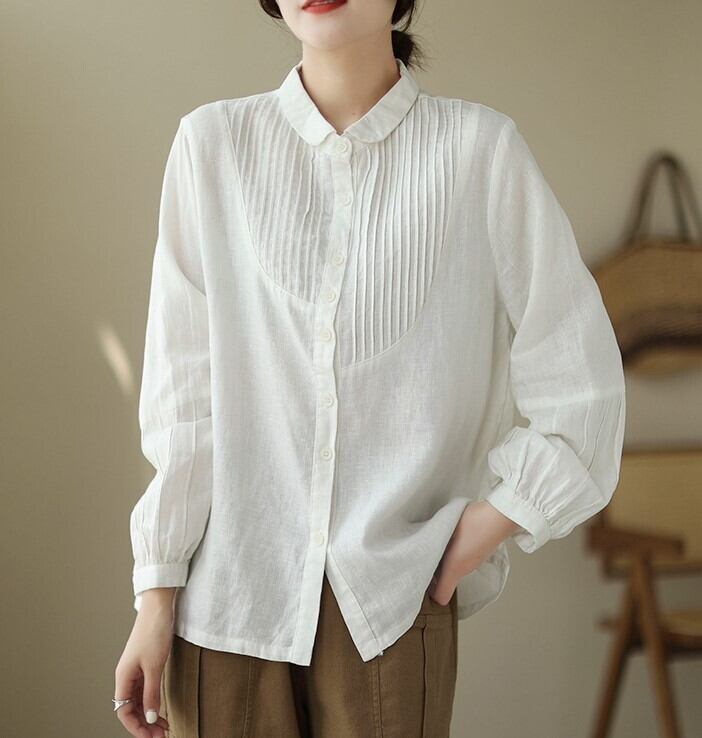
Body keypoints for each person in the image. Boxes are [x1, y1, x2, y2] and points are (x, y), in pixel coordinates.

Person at [113, 1, 627, 736]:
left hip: (389, 605)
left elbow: (584, 387)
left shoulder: (480, 152)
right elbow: (184, 399)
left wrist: (478, 532)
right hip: (221, 606)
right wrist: (156, 594)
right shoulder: (211, 145)